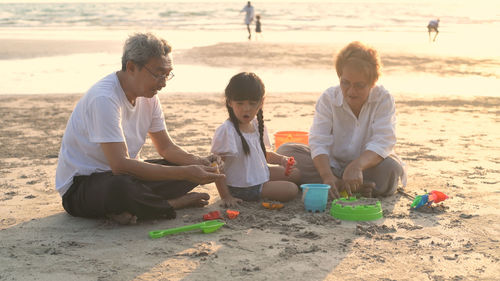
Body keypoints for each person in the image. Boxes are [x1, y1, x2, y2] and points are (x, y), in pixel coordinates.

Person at [55, 32, 225, 224]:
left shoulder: (149, 97)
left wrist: (199, 162)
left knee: (189, 169)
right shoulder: (104, 98)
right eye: (158, 74)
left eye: (167, 75)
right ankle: (172, 203)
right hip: (84, 186)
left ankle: (131, 207)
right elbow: (120, 165)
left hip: (129, 176)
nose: (163, 83)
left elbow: (166, 148)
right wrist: (186, 172)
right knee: (121, 187)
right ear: (131, 67)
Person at [277, 41, 405, 199]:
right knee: (286, 151)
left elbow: (384, 141)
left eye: (359, 85)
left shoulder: (383, 99)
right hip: (331, 165)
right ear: (339, 77)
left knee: (391, 169)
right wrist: (326, 175)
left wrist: (357, 166)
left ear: (372, 83)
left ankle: (346, 186)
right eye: (345, 83)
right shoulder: (328, 98)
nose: (351, 91)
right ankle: (347, 186)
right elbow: (318, 141)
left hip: (367, 167)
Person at [210, 72, 300, 207]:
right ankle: (258, 191)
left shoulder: (257, 125)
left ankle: (268, 182)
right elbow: (217, 167)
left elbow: (263, 155)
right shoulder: (227, 131)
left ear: (261, 102)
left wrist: (282, 160)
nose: (246, 109)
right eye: (240, 103)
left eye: (252, 103)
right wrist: (226, 196)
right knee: (291, 189)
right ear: (230, 102)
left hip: (257, 174)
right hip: (242, 186)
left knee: (297, 174)